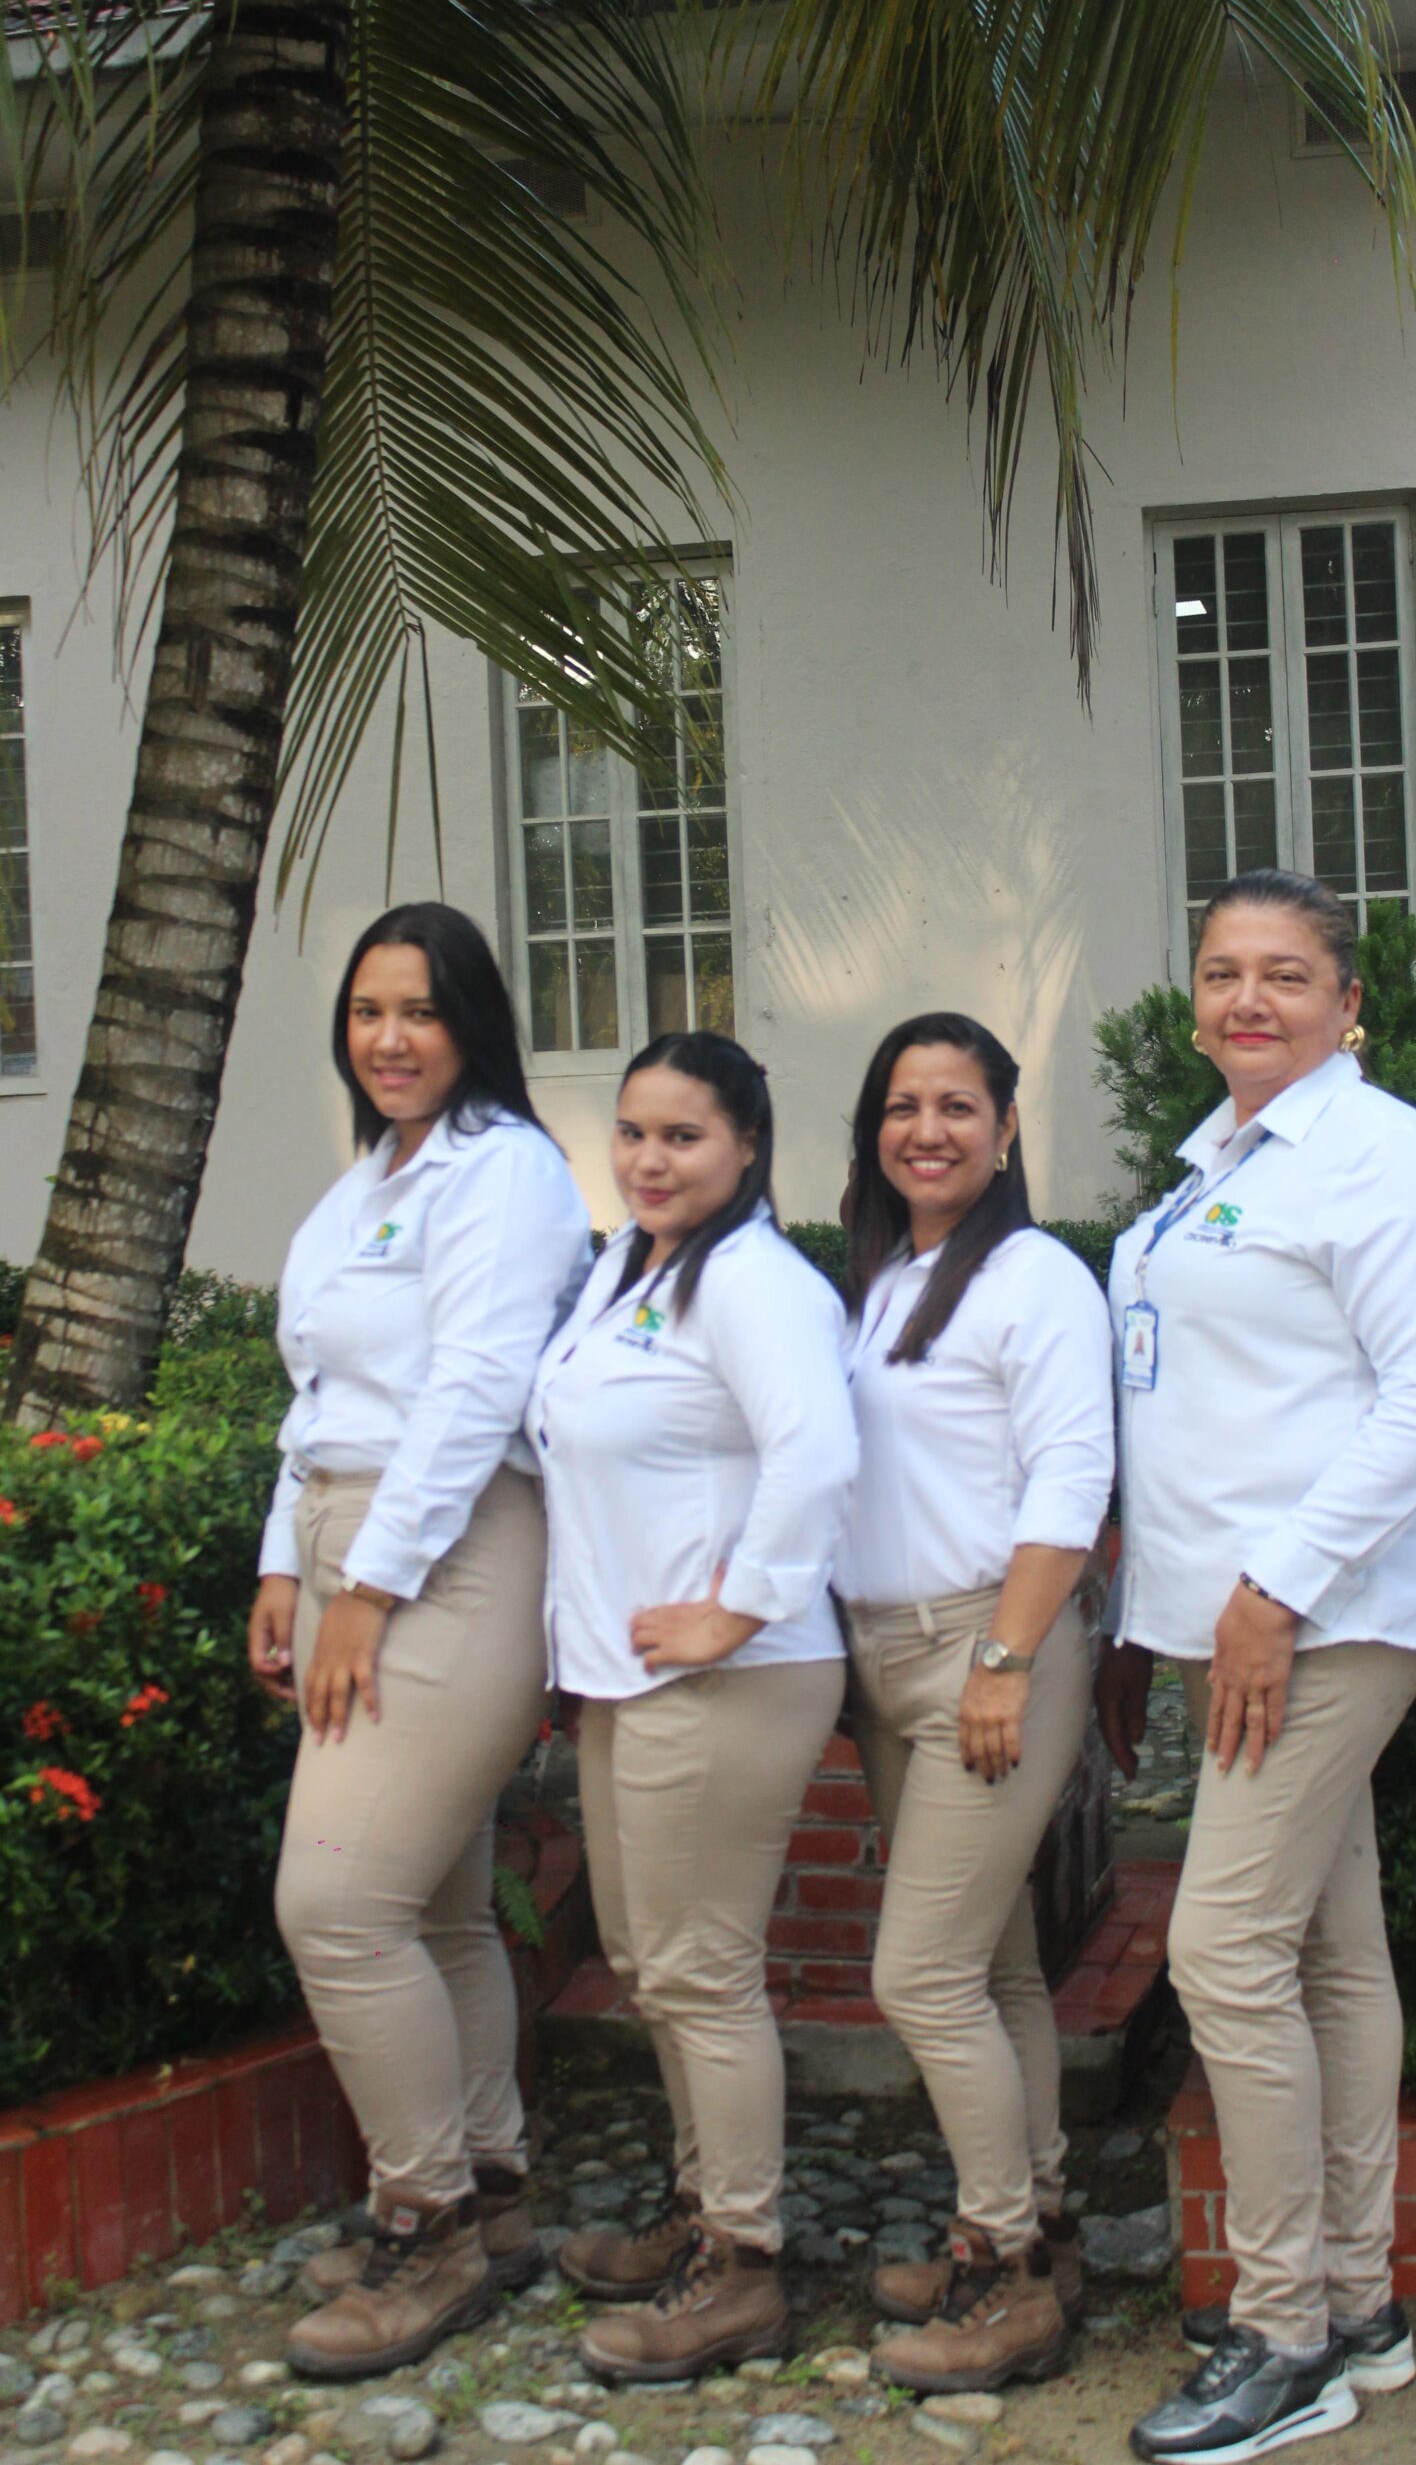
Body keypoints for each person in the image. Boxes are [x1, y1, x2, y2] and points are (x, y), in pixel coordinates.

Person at [1099, 869, 1416, 2465]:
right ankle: (1354, 2298)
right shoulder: (1214, 1162)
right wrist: (1165, 1612)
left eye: (1284, 974)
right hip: (1238, 1619)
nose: (1247, 999)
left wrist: (1276, 1587)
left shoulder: (1382, 1152)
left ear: (1348, 1004)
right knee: (1327, 1948)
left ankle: (1283, 2337)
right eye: (1221, 973)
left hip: (1329, 1611)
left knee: (1224, 1949)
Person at [247, 902, 592, 2382]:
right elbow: (318, 1398)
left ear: (473, 1026)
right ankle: (494, 2193)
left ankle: (427, 2222)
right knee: (439, 1909)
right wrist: (288, 1565)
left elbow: (469, 1394)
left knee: (335, 1904)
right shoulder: (366, 1183)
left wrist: (369, 1589)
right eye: (368, 1011)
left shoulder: (504, 1173)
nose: (390, 1039)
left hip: (452, 1556)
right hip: (352, 1543)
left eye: (421, 1011)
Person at [529, 1031, 857, 2383]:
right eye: (633, 1133)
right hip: (628, 1674)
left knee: (700, 1970)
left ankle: (744, 2266)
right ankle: (700, 2205)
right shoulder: (630, 1266)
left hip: (731, 1677)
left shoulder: (756, 1283)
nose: (650, 1160)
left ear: (747, 1147)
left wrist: (739, 1606)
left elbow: (817, 1452)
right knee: (649, 1961)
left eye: (684, 1136)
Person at [834, 1012, 1115, 2396]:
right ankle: (1042, 2225)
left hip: (990, 1653)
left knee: (922, 1975)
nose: (927, 1130)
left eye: (957, 1106)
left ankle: (1000, 2272)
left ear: (1005, 1131)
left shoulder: (1034, 1277)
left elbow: (1072, 1477)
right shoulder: (885, 1277)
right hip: (888, 1656)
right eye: (903, 1105)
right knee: (994, 1973)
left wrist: (1003, 1660)